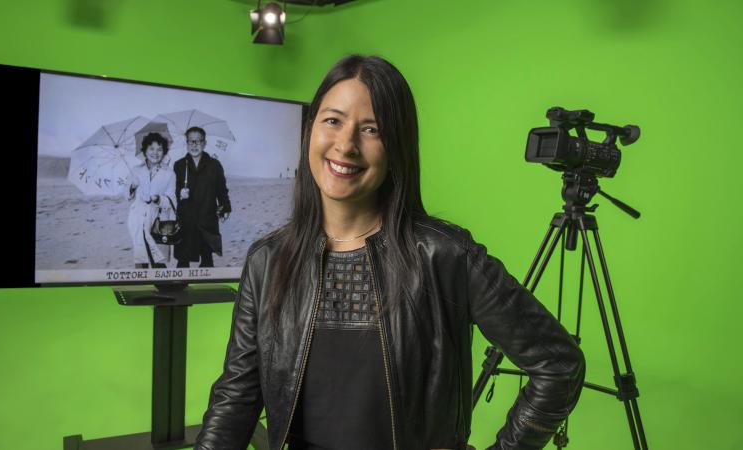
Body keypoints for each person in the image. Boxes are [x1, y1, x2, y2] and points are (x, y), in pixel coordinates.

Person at [194, 55, 585, 450]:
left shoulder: (445, 255)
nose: (346, 145)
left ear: (397, 146)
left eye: (371, 129)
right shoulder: (268, 260)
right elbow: (236, 399)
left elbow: (558, 366)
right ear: (310, 130)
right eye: (333, 120)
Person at [173, 126, 232, 268]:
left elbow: (222, 191)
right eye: (191, 141)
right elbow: (171, 191)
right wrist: (179, 193)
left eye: (198, 141)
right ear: (186, 143)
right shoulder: (179, 165)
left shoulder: (215, 165)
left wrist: (225, 207)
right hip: (186, 220)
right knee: (183, 262)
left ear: (204, 143)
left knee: (207, 262)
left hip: (207, 219)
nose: (194, 145)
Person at [127, 132, 176, 268]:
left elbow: (172, 200)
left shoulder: (169, 173)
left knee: (158, 260)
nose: (155, 153)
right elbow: (127, 195)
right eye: (151, 149)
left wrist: (157, 199)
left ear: (164, 152)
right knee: (140, 257)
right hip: (137, 218)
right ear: (145, 151)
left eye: (159, 149)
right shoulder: (135, 170)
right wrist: (132, 186)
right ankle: (142, 284)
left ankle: (162, 286)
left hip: (158, 220)